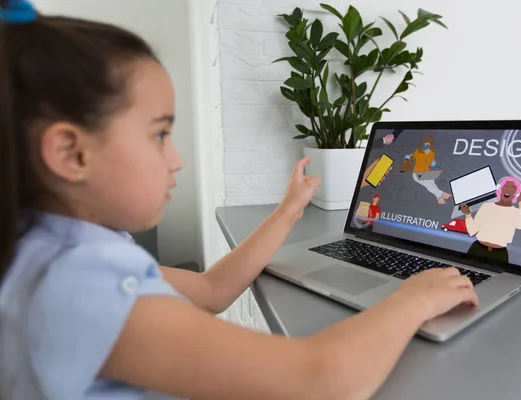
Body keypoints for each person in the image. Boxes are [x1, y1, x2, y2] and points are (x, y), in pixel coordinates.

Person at [0, 2, 479, 399]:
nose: (175, 161)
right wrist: (412, 299)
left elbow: (211, 291)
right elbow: (320, 380)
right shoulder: (82, 283)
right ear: (69, 152)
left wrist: (290, 207)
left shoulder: (44, 251)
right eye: (160, 135)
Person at [460, 177, 521, 263]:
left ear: (517, 193)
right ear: (500, 188)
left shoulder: (516, 212)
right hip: (477, 250)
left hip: (500, 255)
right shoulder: (486, 206)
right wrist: (468, 215)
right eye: (506, 186)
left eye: (513, 188)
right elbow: (472, 231)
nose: (509, 190)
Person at [404, 135, 452, 204]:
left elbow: (431, 161)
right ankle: (441, 195)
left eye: (427, 144)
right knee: (428, 184)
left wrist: (433, 163)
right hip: (417, 174)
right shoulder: (418, 150)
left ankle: (440, 197)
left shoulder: (432, 152)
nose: (425, 145)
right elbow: (412, 156)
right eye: (424, 144)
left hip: (426, 172)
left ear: (430, 145)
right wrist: (408, 157)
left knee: (432, 183)